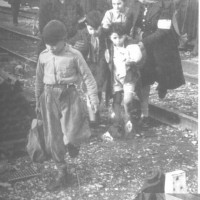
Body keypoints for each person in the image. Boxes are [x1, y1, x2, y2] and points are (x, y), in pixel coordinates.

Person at [35, 20, 99, 191]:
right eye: (48, 44)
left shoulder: (74, 55)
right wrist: (37, 101)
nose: (51, 47)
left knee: (71, 135)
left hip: (69, 96)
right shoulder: (43, 55)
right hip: (48, 97)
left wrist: (93, 99)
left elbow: (88, 77)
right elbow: (38, 80)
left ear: (64, 39)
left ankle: (73, 144)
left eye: (54, 44)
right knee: (53, 138)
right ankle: (62, 172)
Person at [131, 0, 185, 125]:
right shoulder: (138, 4)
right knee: (144, 77)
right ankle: (145, 114)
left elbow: (163, 31)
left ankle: (163, 85)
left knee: (162, 70)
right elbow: (133, 22)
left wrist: (143, 42)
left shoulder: (165, 4)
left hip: (162, 44)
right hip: (145, 44)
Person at [105, 23, 144, 138]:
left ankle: (129, 120)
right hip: (116, 76)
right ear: (110, 37)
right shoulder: (110, 48)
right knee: (116, 100)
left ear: (125, 36)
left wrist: (131, 60)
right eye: (114, 38)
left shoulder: (130, 46)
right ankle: (117, 123)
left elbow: (138, 56)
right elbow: (108, 60)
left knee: (127, 100)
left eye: (120, 37)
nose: (117, 40)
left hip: (128, 76)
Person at [70, 10, 109, 124]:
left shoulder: (104, 35)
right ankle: (92, 119)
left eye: (97, 29)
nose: (94, 32)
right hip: (88, 67)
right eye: (91, 29)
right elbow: (71, 44)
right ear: (86, 25)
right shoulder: (81, 34)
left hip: (101, 66)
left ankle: (96, 114)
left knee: (99, 91)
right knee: (89, 92)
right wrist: (76, 48)